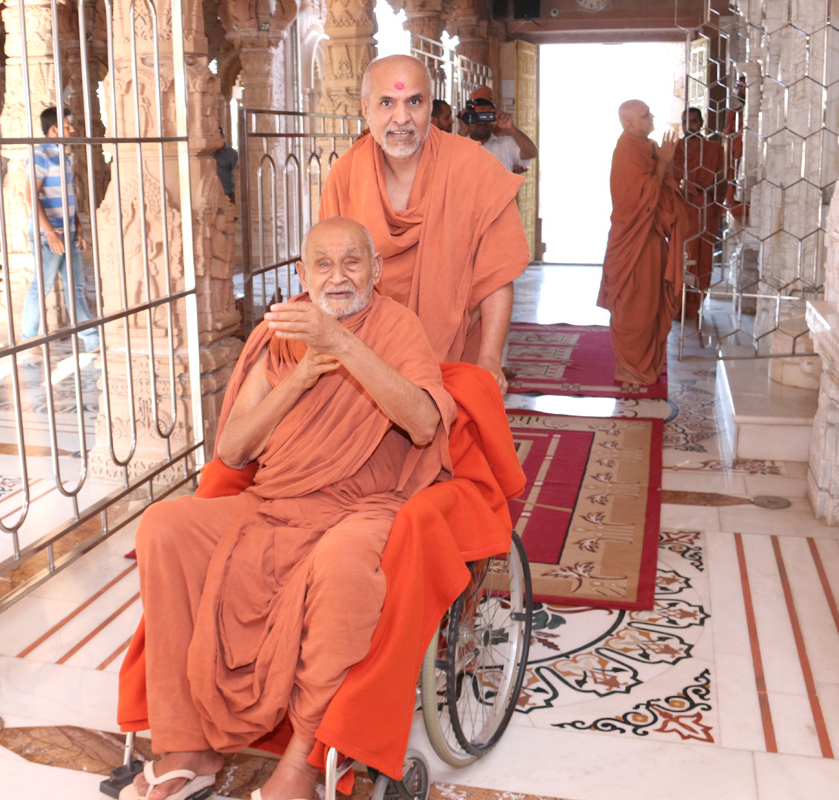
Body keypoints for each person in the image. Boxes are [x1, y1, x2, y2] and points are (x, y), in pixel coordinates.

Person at [119, 216, 455, 800]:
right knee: (165, 527)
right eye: (322, 264)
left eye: (352, 262)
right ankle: (190, 744)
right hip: (274, 502)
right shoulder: (283, 331)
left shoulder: (397, 326)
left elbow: (424, 423)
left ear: (376, 270)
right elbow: (233, 449)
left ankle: (302, 763)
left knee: (344, 569)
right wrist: (299, 377)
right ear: (302, 274)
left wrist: (343, 345)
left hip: (362, 506)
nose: (337, 276)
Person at [319, 54, 529, 393]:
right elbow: (329, 272)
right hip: (366, 357)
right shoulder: (346, 175)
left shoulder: (473, 166)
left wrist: (490, 358)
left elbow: (497, 274)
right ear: (365, 109)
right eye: (387, 102)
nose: (402, 118)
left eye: (414, 102)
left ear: (430, 106)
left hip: (456, 349)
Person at [597, 99, 687, 388]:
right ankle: (628, 366)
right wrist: (661, 164)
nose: (652, 117)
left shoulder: (646, 147)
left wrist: (664, 162)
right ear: (630, 124)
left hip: (651, 239)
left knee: (651, 304)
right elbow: (637, 199)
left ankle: (643, 363)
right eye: (646, 115)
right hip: (631, 241)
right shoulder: (625, 151)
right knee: (633, 306)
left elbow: (662, 191)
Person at [22, 107, 100, 352]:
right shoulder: (39, 155)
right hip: (49, 235)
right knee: (41, 287)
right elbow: (30, 197)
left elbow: (67, 197)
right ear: (54, 129)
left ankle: (91, 339)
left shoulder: (64, 156)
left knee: (76, 286)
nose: (72, 130)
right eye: (67, 126)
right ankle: (28, 340)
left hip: (69, 231)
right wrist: (50, 233)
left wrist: (78, 227)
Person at [672, 107, 725, 320]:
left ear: (701, 123)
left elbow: (723, 181)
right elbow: (667, 179)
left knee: (702, 259)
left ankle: (694, 306)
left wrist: (708, 189)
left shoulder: (714, 150)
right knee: (681, 257)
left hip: (704, 211)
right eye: (685, 122)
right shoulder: (675, 149)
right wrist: (682, 186)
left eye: (693, 122)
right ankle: (676, 305)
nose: (689, 126)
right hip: (681, 212)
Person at [462, 96, 538, 175]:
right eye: (477, 117)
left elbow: (531, 153)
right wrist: (462, 130)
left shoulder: (506, 144)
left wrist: (510, 127)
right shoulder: (460, 148)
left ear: (495, 117)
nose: (482, 122)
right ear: (467, 119)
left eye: (488, 117)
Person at [213, 125, 238, 202]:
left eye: (218, 137)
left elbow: (237, 174)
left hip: (228, 194)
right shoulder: (209, 154)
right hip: (213, 195)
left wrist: (235, 193)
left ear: (223, 136)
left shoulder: (232, 153)